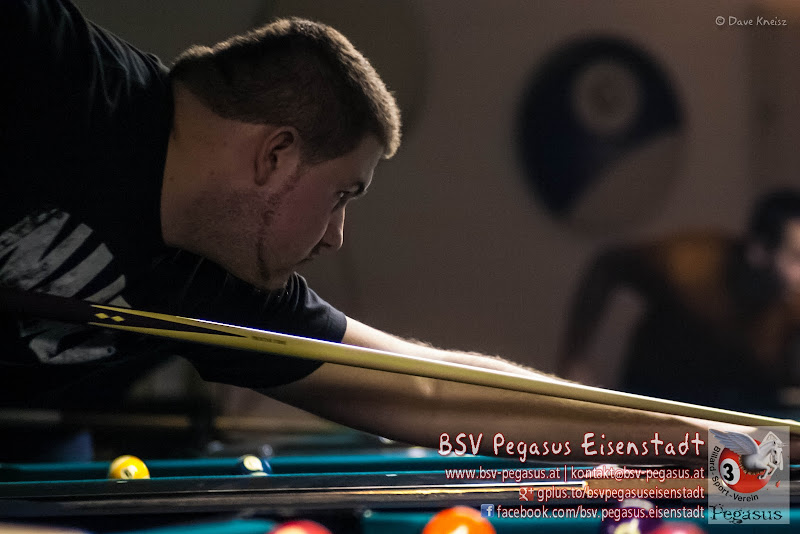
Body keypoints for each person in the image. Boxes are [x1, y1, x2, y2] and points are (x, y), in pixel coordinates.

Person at [0, 0, 759, 463]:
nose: (336, 235)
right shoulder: (56, 65)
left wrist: (728, 451)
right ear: (275, 155)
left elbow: (431, 390)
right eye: (342, 194)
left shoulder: (217, 278)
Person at [558, 189, 800, 411]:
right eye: (796, 258)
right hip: (657, 399)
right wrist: (573, 359)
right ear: (759, 251)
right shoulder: (692, 265)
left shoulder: (790, 303)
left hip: (735, 412)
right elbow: (609, 265)